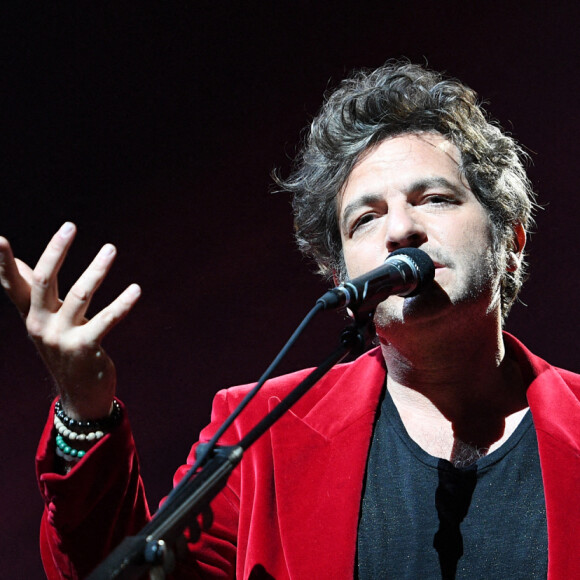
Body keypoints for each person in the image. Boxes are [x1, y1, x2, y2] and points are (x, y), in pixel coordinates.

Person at [1, 62, 579, 579]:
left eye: (434, 199)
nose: (401, 230)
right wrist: (83, 410)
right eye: (365, 219)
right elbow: (119, 570)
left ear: (511, 240)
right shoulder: (265, 432)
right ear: (341, 278)